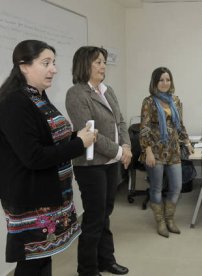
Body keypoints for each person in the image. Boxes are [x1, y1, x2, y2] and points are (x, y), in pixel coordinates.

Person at [0, 40, 95, 276]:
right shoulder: (14, 102)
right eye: (46, 63)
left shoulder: (38, 97)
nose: (54, 69)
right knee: (32, 263)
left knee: (42, 260)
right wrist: (79, 144)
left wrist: (77, 137)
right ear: (23, 66)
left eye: (53, 62)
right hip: (31, 200)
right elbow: (34, 156)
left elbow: (50, 138)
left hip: (48, 195)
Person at [65, 46, 132, 276]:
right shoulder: (76, 93)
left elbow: (120, 122)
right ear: (85, 65)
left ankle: (106, 260)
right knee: (94, 218)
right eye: (98, 62)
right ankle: (87, 269)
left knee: (105, 215)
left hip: (111, 163)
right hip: (90, 165)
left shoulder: (107, 90)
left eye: (104, 62)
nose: (103, 66)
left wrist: (126, 146)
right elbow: (90, 133)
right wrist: (118, 151)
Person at [139, 67, 193, 238]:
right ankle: (160, 221)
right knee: (156, 188)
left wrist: (187, 142)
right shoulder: (148, 102)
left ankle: (170, 219)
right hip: (155, 151)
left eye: (167, 79)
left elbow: (180, 125)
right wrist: (147, 151)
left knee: (176, 187)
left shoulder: (175, 101)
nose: (165, 83)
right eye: (161, 80)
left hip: (173, 150)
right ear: (155, 82)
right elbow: (144, 128)